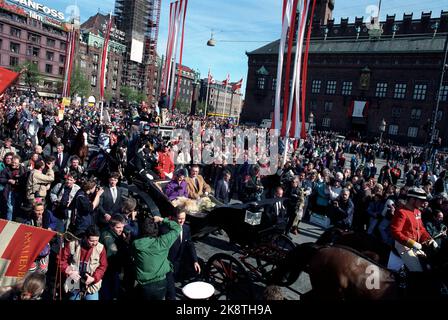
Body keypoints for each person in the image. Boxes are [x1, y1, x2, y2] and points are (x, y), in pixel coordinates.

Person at [131, 215, 181, 300]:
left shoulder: (136, 244)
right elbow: (177, 228)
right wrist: (162, 219)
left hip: (145, 285)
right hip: (161, 284)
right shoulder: (162, 242)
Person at [390, 187, 438, 272]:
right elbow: (395, 231)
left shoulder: (417, 212)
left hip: (415, 245)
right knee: (417, 270)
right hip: (402, 245)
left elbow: (421, 229)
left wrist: (429, 239)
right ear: (412, 199)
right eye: (421, 201)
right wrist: (412, 243)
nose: (423, 203)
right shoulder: (402, 212)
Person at [59, 225, 108, 300]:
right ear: (85, 237)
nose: (94, 243)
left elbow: (103, 266)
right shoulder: (73, 244)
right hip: (73, 282)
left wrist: (94, 278)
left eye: (97, 240)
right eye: (91, 241)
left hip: (91, 285)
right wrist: (70, 272)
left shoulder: (101, 248)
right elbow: (61, 260)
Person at [165, 209, 201, 300]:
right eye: (179, 219)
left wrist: (195, 261)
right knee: (171, 294)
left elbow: (190, 244)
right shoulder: (166, 230)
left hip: (179, 262)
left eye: (183, 218)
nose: (181, 221)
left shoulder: (186, 228)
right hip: (168, 264)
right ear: (173, 218)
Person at [100, 214, 130, 300]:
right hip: (109, 270)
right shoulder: (108, 238)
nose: (121, 230)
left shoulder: (116, 233)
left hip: (113, 268)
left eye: (122, 227)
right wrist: (125, 244)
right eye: (118, 227)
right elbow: (114, 254)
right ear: (111, 226)